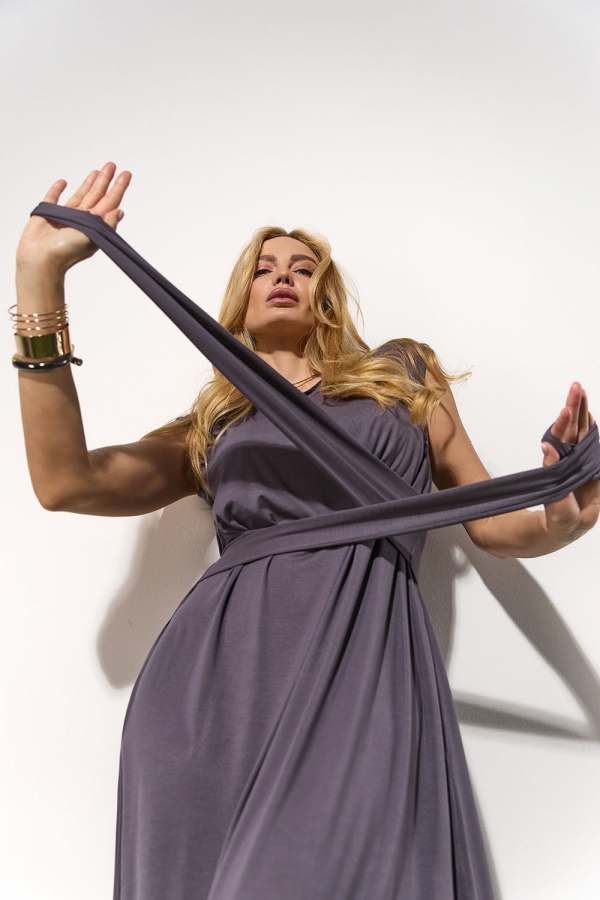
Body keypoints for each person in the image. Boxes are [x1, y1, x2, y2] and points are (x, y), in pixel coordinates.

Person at [14, 162, 600, 900]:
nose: (283, 275)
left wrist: (561, 516)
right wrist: (38, 284)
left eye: (303, 266)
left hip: (366, 671)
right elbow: (66, 482)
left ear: (326, 293)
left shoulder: (404, 377)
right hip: (214, 692)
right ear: (240, 298)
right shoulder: (215, 424)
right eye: (263, 268)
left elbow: (493, 523)